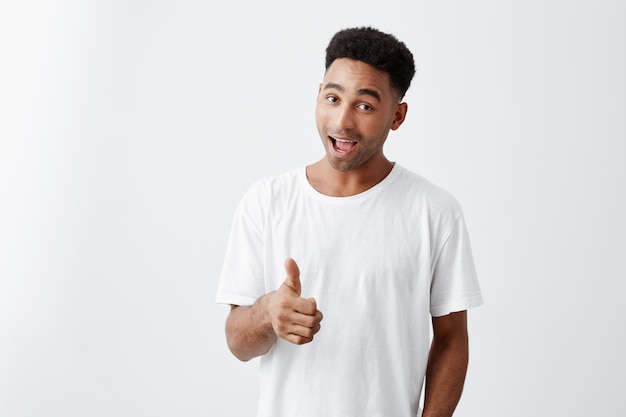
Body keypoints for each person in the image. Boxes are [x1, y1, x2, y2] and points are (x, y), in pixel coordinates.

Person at [216, 26, 483, 417]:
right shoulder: (266, 201)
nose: (341, 121)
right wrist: (268, 313)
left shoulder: (434, 211)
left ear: (398, 115)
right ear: (318, 95)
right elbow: (238, 344)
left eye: (365, 106)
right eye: (332, 97)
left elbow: (450, 340)